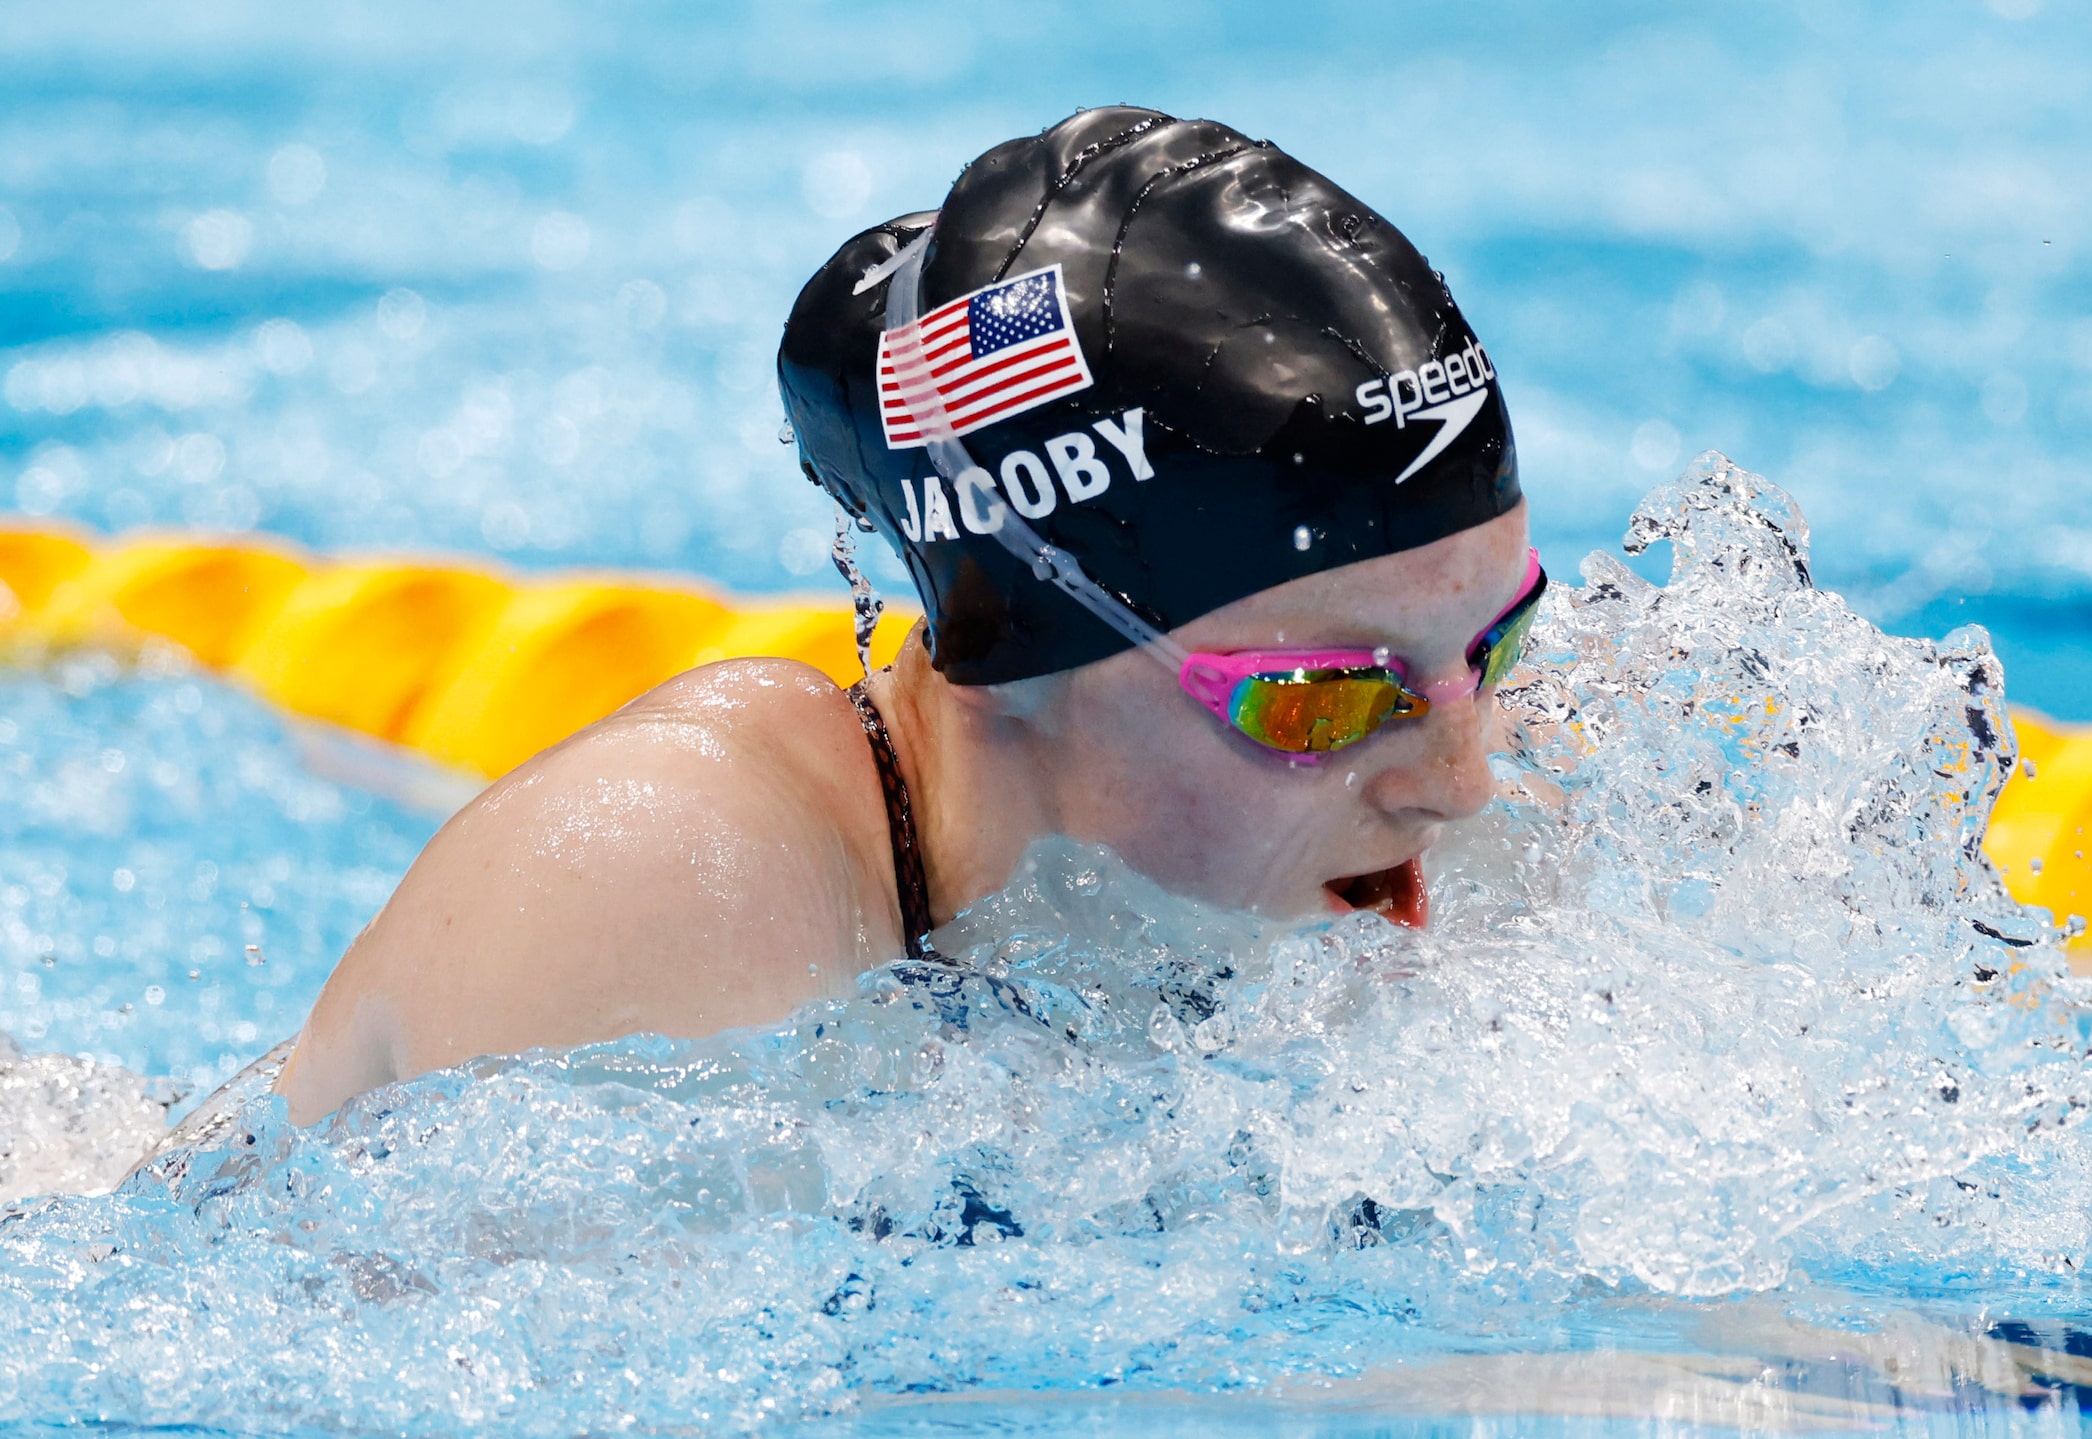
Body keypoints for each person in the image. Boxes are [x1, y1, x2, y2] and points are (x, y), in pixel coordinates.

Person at [276, 106, 1532, 1125]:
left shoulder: (1439, 840)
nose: (1463, 782)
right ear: (1025, 662)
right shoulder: (663, 890)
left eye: (1495, 645)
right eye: (1328, 698)